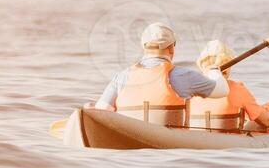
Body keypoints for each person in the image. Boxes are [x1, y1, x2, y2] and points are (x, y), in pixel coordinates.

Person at [91, 23, 228, 127]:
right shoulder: (184, 75)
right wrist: (214, 71)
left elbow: (102, 111)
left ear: (144, 47)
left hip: (128, 144)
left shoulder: (121, 77)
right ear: (171, 48)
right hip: (169, 148)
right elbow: (222, 90)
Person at [188, 40, 269, 131]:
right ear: (227, 68)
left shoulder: (189, 89)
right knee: (253, 124)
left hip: (197, 140)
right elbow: (267, 121)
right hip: (228, 145)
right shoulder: (237, 89)